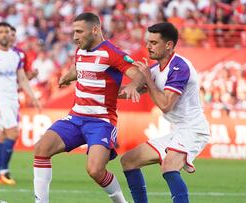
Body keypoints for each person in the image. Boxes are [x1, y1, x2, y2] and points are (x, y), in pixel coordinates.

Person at [33, 12, 144, 203]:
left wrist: (134, 85)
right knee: (42, 148)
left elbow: (139, 73)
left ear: (95, 30)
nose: (75, 37)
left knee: (95, 170)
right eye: (74, 32)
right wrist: (67, 76)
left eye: (79, 32)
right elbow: (79, 68)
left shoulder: (112, 53)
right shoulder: (80, 50)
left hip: (101, 121)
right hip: (76, 117)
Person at [120, 22, 210, 203]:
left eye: (153, 42)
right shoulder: (154, 70)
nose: (148, 46)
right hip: (178, 131)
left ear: (168, 45)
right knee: (129, 160)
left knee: (169, 167)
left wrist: (147, 79)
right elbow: (126, 92)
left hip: (194, 130)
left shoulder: (180, 67)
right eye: (148, 42)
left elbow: (166, 104)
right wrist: (94, 88)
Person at [0, 22, 41, 185]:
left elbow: (22, 78)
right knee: (13, 133)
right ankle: (3, 171)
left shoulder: (15, 56)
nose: (4, 34)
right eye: (1, 32)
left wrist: (32, 97)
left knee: (3, 135)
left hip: (12, 99)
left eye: (7, 31)